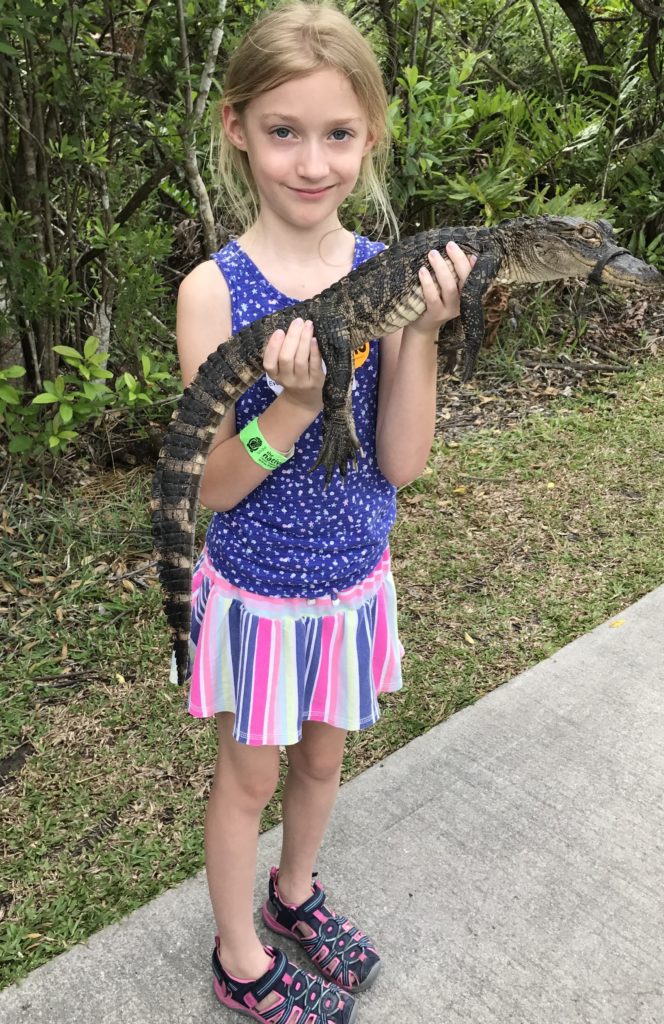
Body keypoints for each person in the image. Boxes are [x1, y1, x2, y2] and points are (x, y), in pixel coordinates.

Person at [175, 3, 474, 1021]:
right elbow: (206, 487)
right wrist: (295, 406)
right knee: (248, 777)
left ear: (370, 138)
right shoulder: (213, 293)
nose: (311, 162)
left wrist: (422, 335)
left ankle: (293, 893)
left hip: (352, 583)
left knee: (322, 757)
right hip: (258, 594)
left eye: (337, 134)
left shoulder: (381, 274)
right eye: (283, 132)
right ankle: (236, 953)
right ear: (236, 128)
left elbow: (400, 461)